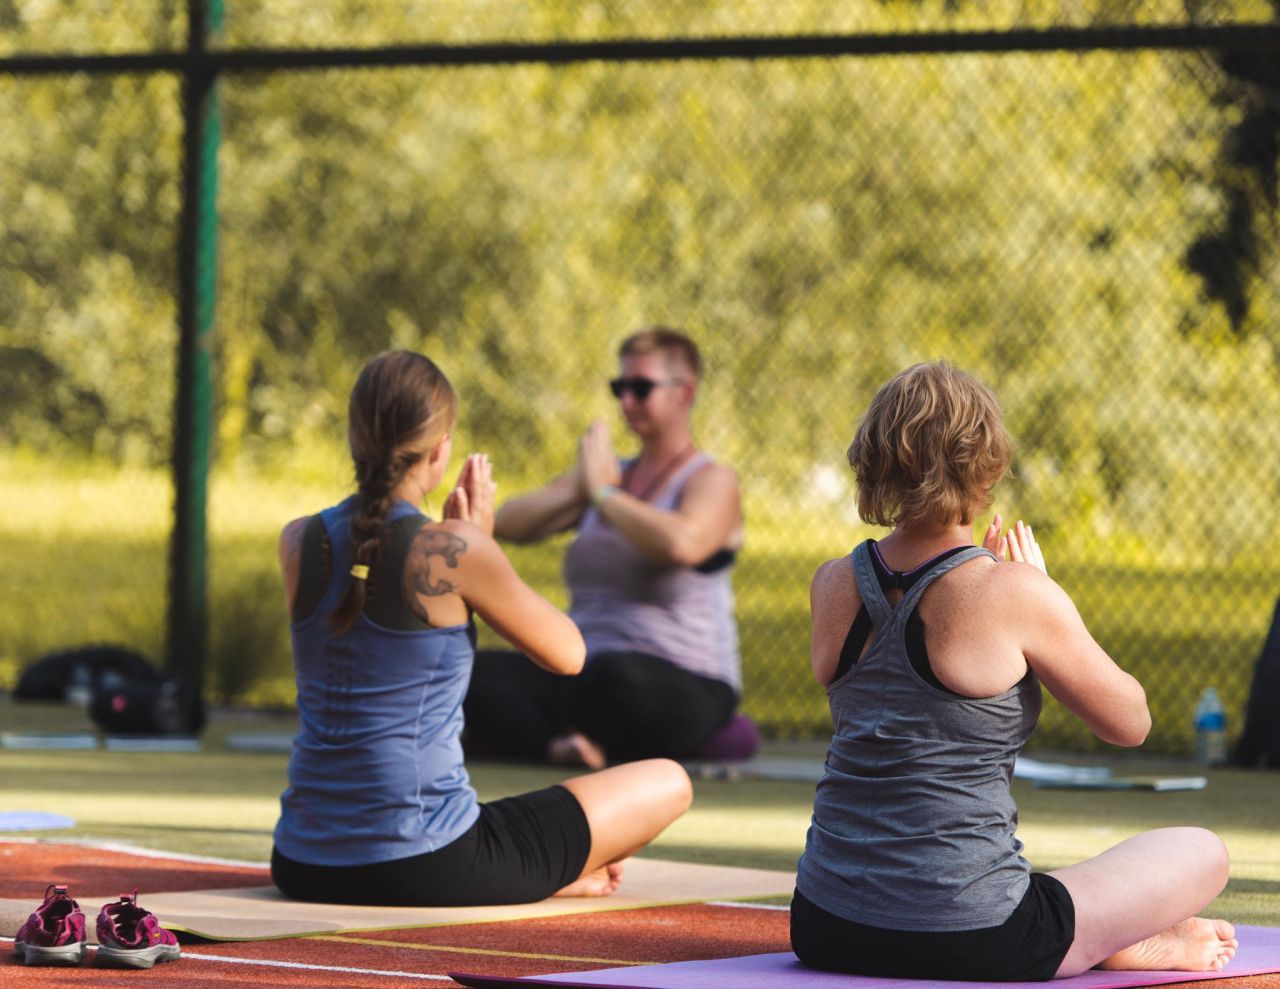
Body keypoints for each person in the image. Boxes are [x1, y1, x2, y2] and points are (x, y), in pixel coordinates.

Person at [792, 361, 1236, 981]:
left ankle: (1094, 935)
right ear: (987, 463)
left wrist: (1016, 599)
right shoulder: (1015, 592)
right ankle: (1099, 940)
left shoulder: (833, 582)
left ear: (874, 459)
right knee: (1202, 851)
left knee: (1023, 879)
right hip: (974, 936)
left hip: (823, 925)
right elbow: (1130, 722)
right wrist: (1044, 597)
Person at [270, 350, 692, 907]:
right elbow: (569, 654)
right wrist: (481, 547)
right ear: (441, 448)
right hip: (425, 863)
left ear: (356, 438)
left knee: (492, 816)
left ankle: (546, 875)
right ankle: (546, 876)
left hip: (301, 862)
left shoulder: (298, 540)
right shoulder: (453, 550)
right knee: (669, 781)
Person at [463, 327, 743, 769]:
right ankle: (563, 747)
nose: (626, 402)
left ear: (683, 393)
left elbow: (682, 544)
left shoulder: (711, 480)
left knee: (614, 679)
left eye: (640, 388)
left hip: (677, 679)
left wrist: (605, 497)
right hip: (583, 668)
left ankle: (552, 734)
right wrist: (582, 486)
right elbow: (510, 523)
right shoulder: (605, 478)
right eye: (620, 388)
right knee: (466, 671)